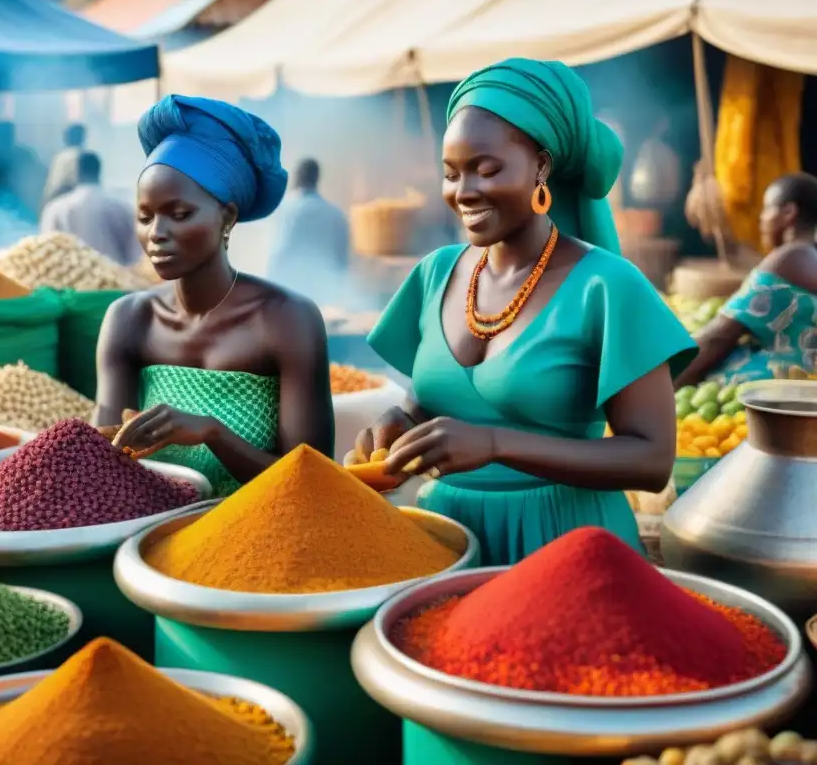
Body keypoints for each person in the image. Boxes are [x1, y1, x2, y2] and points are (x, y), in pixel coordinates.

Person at [349, 59, 697, 565]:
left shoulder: (606, 286)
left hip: (565, 545)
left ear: (541, 167)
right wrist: (400, 422)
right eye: (451, 173)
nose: (464, 191)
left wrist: (496, 443)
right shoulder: (435, 274)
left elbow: (650, 460)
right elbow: (433, 403)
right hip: (448, 543)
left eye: (487, 170)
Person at [93, 95, 334, 497]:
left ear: (228, 217)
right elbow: (104, 457)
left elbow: (314, 480)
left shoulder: (286, 320)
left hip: (261, 539)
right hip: (150, 539)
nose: (157, 232)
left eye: (180, 213)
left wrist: (213, 434)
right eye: (145, 216)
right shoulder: (129, 319)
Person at [676, 173, 817, 386]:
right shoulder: (808, 257)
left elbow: (719, 337)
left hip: (776, 397)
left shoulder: (790, 257)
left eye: (767, 208)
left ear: (789, 212)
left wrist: (663, 382)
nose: (761, 218)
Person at [267, 158, 350, 303]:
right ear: (317, 179)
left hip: (285, 292)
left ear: (296, 176)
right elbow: (341, 260)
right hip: (322, 295)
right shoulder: (336, 214)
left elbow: (277, 251)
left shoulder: (281, 209)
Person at [41, 151, 138, 266]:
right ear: (99, 171)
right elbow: (135, 253)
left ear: (77, 173)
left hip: (71, 279)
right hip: (115, 279)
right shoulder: (120, 205)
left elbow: (47, 251)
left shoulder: (56, 208)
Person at [43, 123, 86, 206]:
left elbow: (50, 185)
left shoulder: (59, 157)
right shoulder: (80, 156)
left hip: (54, 200)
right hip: (71, 202)